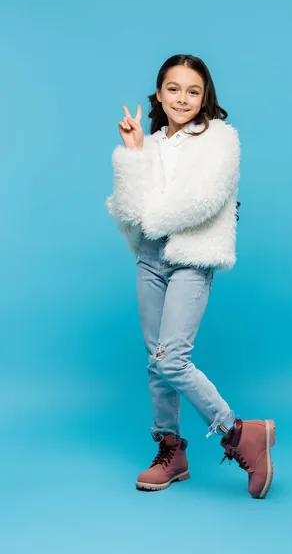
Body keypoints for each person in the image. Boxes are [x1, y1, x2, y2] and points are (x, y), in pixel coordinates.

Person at [106, 54, 275, 499]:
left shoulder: (221, 140)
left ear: (205, 98)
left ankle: (239, 433)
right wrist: (134, 153)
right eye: (174, 89)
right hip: (150, 257)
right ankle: (171, 450)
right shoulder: (154, 142)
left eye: (193, 90)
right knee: (155, 362)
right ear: (159, 94)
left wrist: (151, 213)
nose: (182, 98)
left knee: (170, 359)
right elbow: (128, 206)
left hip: (191, 256)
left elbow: (204, 200)